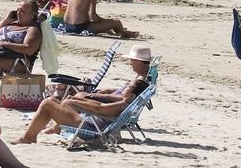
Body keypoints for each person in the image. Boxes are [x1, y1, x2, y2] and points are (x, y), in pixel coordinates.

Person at [15, 45, 153, 145]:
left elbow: (100, 108)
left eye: (128, 86)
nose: (126, 86)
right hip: (92, 121)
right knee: (54, 100)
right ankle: (41, 131)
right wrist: (77, 99)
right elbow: (99, 106)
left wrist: (78, 102)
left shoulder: (122, 103)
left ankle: (28, 138)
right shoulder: (128, 97)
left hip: (91, 127)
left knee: (48, 103)